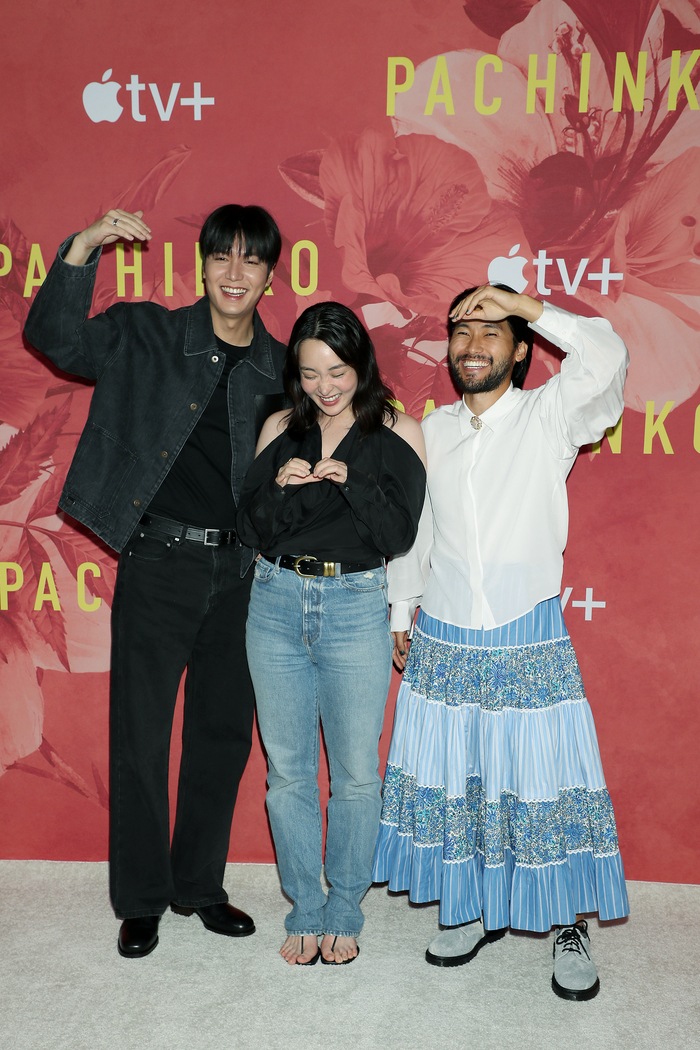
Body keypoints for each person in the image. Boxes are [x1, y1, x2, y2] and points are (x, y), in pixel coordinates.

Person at [24, 204, 288, 958]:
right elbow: (56, 338)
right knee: (140, 735)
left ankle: (199, 886)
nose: (234, 274)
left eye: (251, 261)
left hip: (241, 571)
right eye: (222, 258)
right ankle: (140, 897)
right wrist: (84, 246)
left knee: (221, 733)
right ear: (203, 265)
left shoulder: (279, 368)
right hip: (161, 562)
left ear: (270, 275)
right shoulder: (149, 334)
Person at [372, 283, 630, 1000]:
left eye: (492, 330)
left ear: (521, 348)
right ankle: (476, 907)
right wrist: (403, 610)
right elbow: (416, 533)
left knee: (543, 782)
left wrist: (534, 309)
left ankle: (567, 925)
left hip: (528, 633)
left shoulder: (549, 415)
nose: (473, 344)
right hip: (446, 639)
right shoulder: (433, 428)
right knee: (465, 782)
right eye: (461, 331)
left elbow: (607, 356)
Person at [236, 301, 426, 966]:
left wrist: (352, 484)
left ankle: (345, 905)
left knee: (354, 774)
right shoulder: (282, 425)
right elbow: (253, 526)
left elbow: (398, 535)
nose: (325, 386)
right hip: (276, 602)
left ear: (361, 364)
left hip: (353, 605)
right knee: (287, 773)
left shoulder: (397, 428)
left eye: (338, 370)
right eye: (311, 372)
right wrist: (282, 488)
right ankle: (304, 907)